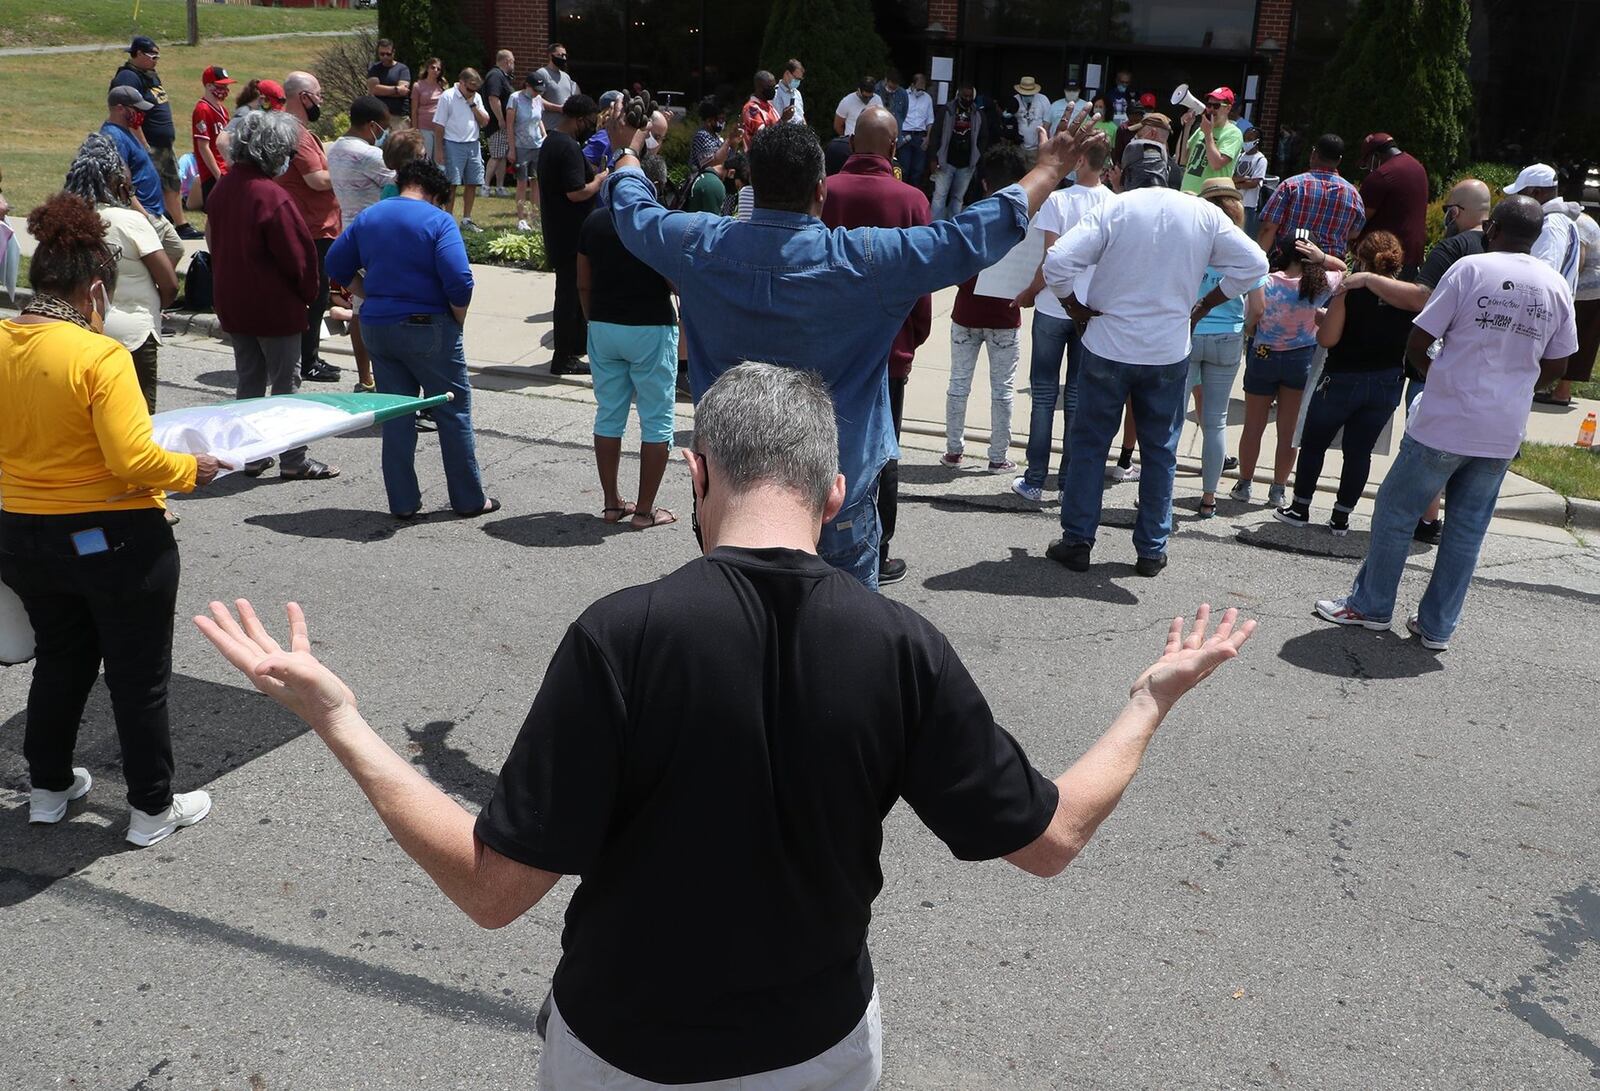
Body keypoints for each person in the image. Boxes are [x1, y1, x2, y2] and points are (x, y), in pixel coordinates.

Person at [194, 360, 1257, 1089]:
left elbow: (490, 887)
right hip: (817, 1047)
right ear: (836, 493)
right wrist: (1146, 698)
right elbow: (1050, 837)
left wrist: (338, 717)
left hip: (623, 1049)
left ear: (696, 474)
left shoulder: (621, 636)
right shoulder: (901, 643)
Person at [603, 111, 1109, 588]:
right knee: (844, 655)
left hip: (727, 500)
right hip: (832, 501)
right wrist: (1046, 169)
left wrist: (626, 151)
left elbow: (632, 211)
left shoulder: (697, 243)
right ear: (820, 192)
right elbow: (967, 238)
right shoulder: (864, 261)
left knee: (739, 639)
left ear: (752, 188)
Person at [3, 193, 224, 843]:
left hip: (21, 532)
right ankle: (152, 808)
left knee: (61, 660)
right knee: (138, 676)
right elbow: (134, 457)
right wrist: (193, 470)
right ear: (94, 289)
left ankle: (48, 788)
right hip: (117, 537)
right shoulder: (99, 357)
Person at [1314, 197, 1577, 650]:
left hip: (1446, 421)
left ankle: (1371, 606)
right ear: (1533, 239)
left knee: (1396, 512)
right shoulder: (1555, 286)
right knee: (1466, 531)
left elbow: (1419, 340)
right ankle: (1437, 626)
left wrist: (1441, 374)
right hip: (1502, 430)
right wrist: (1519, 383)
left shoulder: (1470, 269)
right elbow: (1559, 364)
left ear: (1491, 228)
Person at [1041, 134, 1268, 576]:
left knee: (1090, 444)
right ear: (1170, 173)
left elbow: (1056, 264)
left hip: (1107, 344)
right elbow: (1255, 265)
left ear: (1122, 175)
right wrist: (1204, 305)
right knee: (1160, 450)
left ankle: (1078, 540)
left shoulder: (1113, 208)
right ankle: (1151, 549)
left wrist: (1074, 308)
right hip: (1167, 349)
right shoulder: (1201, 212)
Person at [326, 159, 495, 519]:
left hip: (377, 327)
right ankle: (468, 499)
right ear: (435, 193)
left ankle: (403, 503)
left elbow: (335, 263)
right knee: (453, 412)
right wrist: (457, 319)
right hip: (427, 326)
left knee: (397, 414)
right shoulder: (438, 220)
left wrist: (369, 293)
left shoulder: (371, 217)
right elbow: (460, 281)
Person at [1336, 177, 1492, 538]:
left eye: (1450, 208)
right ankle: (1437, 522)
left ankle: (1418, 520)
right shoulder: (1507, 253)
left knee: (1427, 446)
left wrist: (1368, 281)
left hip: (1440, 360)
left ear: (1457, 211)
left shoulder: (1453, 248)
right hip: (1490, 368)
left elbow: (1422, 297)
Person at [821, 106, 933, 586]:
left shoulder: (824, 190)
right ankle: (877, 550)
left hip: (825, 342)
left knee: (820, 442)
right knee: (881, 451)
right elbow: (922, 279)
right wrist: (915, 334)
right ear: (892, 148)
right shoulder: (911, 199)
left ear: (850, 144)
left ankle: (815, 537)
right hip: (888, 349)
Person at [207, 109, 338, 481]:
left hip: (235, 302)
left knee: (248, 381)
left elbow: (213, 242)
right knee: (285, 385)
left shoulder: (225, 188)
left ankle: (251, 454)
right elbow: (299, 259)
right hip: (274, 306)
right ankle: (293, 458)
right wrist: (308, 296)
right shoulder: (272, 196)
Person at [1275, 230, 1411, 535]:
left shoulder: (1351, 292)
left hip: (1342, 378)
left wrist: (1325, 319)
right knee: (1359, 452)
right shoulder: (1407, 296)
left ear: (1361, 258)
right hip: (1386, 382)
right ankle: (1341, 517)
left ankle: (1300, 507)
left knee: (1314, 444)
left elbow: (1328, 338)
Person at [575, 155, 680, 531]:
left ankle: (610, 503)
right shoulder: (657, 223)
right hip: (651, 327)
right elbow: (676, 282)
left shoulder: (594, 221)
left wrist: (593, 318)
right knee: (656, 421)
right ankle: (645, 511)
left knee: (609, 414)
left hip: (603, 324)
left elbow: (582, 282)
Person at [1012, 145, 1112, 503]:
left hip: (1054, 307)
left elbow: (1050, 260)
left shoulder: (1059, 201)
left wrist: (1028, 292)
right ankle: (1068, 479)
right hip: (1090, 310)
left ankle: (1035, 478)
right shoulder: (1114, 204)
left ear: (1082, 160)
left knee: (1043, 395)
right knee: (1076, 398)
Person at [63, 133, 181, 415]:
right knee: (138, 420)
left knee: (92, 417)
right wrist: (156, 304)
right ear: (117, 178)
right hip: (134, 336)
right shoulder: (130, 221)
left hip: (80, 333)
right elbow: (170, 283)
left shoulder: (67, 219)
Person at [1230, 237, 1346, 508]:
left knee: (1253, 426)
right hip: (1300, 360)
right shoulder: (1318, 285)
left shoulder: (1266, 280)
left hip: (1263, 355)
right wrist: (1323, 258)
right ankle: (1278, 489)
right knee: (1289, 430)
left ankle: (1245, 484)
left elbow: (1252, 316)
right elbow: (1342, 271)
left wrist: (1252, 333)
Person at [943, 147, 1029, 478]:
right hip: (1005, 316)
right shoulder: (1024, 221)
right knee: (1003, 388)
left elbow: (955, 269)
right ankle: (998, 456)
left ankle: (953, 450)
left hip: (966, 313)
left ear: (983, 183)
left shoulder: (969, 218)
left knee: (958, 381)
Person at [1186, 178, 1265, 518]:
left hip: (1189, 332)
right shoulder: (1244, 249)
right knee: (1216, 422)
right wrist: (1240, 328)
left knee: (1173, 419)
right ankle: (1208, 499)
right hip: (1227, 338)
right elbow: (1258, 308)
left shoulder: (1193, 243)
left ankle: (1155, 492)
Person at [278, 71, 344, 386]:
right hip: (311, 229)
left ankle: (309, 356)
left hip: (315, 226)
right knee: (314, 296)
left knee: (316, 296)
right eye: (317, 94)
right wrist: (345, 174)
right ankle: (308, 361)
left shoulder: (296, 130)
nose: (320, 100)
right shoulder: (296, 134)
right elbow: (315, 180)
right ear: (303, 97)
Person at [327, 96, 397, 393]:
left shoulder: (335, 150)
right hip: (376, 238)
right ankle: (387, 378)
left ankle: (364, 377)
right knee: (385, 310)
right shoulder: (370, 155)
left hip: (349, 234)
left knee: (359, 309)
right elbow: (403, 184)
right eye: (385, 127)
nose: (385, 132)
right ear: (372, 125)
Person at [540, 95, 607, 377]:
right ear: (579, 119)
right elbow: (575, 192)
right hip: (569, 235)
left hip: (559, 231)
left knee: (573, 291)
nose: (591, 127)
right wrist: (600, 179)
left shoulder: (552, 142)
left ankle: (575, 345)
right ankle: (563, 357)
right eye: (590, 122)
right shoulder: (566, 147)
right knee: (568, 296)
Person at [111, 37, 199, 238]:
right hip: (147, 144)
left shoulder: (149, 75)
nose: (156, 60)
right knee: (147, 186)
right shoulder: (128, 77)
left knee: (171, 183)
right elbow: (129, 114)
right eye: (153, 56)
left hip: (162, 144)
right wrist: (143, 145)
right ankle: (146, 225)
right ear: (139, 54)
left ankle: (180, 225)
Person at [1257, 133, 1365, 256]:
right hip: (1330, 268)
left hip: (1289, 263)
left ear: (1314, 154)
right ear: (1339, 160)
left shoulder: (1291, 185)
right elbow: (1355, 233)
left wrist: (1259, 264)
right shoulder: (1353, 194)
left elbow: (1269, 228)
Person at [1547, 206, 1600, 407]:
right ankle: (1561, 389)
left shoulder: (1576, 224)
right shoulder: (1584, 220)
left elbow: (1579, 260)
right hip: (1595, 291)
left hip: (1586, 292)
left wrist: (1560, 284)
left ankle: (1561, 391)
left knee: (1571, 339)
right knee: (1583, 341)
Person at [1355, 133, 1428, 271]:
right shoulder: (1418, 167)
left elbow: (1359, 219)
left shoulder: (1380, 176)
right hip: (1413, 254)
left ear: (1375, 156)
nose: (1369, 169)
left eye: (1367, 164)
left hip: (1383, 259)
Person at [1504, 163, 1582, 293]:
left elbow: (1542, 278)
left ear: (1536, 193)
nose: (1517, 199)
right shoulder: (1556, 219)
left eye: (1520, 193)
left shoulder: (1551, 224)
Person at [433, 68, 490, 230]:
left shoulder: (476, 97)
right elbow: (439, 125)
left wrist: (472, 103)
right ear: (462, 82)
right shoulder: (448, 96)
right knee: (452, 183)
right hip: (452, 143)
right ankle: (448, 220)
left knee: (472, 182)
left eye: (475, 89)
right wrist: (439, 150)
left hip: (473, 144)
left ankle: (466, 219)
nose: (472, 91)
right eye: (470, 88)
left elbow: (485, 121)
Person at [101, 87, 165, 219]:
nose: (141, 113)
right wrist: (144, 215)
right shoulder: (114, 137)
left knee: (176, 241)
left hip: (154, 213)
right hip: (141, 215)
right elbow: (120, 182)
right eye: (137, 109)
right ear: (120, 108)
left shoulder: (125, 131)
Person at [929, 85, 983, 221]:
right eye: (964, 96)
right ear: (958, 95)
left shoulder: (977, 114)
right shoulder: (947, 110)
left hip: (966, 163)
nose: (967, 99)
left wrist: (978, 157)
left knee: (958, 198)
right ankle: (935, 226)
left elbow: (983, 137)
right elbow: (935, 135)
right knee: (939, 197)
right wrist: (933, 158)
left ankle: (952, 227)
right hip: (946, 161)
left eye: (970, 97)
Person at [1177, 87, 1242, 195]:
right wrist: (1187, 127)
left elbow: (1216, 164)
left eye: (1216, 106)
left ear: (1228, 108)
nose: (1211, 109)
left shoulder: (1233, 133)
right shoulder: (1201, 129)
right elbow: (1182, 159)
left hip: (1210, 198)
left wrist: (1208, 134)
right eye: (1208, 105)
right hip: (1187, 193)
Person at [191, 65, 235, 211]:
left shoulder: (223, 109)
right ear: (209, 86)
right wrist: (218, 175)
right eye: (221, 86)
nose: (225, 91)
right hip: (212, 172)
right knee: (216, 213)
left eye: (226, 86)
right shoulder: (202, 109)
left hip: (226, 167)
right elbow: (203, 146)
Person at [508, 72, 547, 232]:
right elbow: (510, 125)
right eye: (535, 89)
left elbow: (538, 120)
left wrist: (544, 135)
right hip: (521, 146)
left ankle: (535, 217)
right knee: (522, 182)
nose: (537, 93)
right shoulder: (515, 98)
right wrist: (511, 149)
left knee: (536, 182)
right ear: (527, 86)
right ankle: (522, 219)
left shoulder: (538, 99)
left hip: (537, 145)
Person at [482, 50, 517, 198]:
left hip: (501, 124)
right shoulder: (495, 76)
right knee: (496, 155)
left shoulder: (503, 77)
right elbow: (493, 98)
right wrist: (501, 119)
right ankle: (485, 186)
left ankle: (500, 186)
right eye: (513, 62)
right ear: (507, 61)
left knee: (501, 155)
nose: (514, 65)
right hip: (496, 124)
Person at [1118, 111, 1180, 192]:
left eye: (1139, 135)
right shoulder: (1173, 169)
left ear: (1152, 133)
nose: (1134, 138)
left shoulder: (1147, 169)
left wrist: (1119, 187)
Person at [366, 38, 412, 130]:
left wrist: (383, 91)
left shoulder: (402, 69)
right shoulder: (374, 69)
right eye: (382, 54)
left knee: (400, 144)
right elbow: (374, 89)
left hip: (398, 117)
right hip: (379, 117)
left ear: (393, 52)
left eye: (388, 54)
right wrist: (396, 89)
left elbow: (403, 91)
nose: (385, 57)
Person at [1233, 122, 1268, 238]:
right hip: (1235, 201)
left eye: (1250, 139)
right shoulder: (1239, 156)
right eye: (1245, 138)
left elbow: (1254, 183)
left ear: (1257, 141)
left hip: (1249, 205)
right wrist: (1243, 179)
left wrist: (1237, 183)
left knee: (1245, 236)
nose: (1246, 141)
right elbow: (1231, 177)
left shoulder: (1260, 160)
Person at [534, 43, 579, 131]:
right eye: (561, 55)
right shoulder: (542, 73)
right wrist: (558, 108)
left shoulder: (566, 76)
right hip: (550, 128)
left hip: (566, 129)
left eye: (565, 55)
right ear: (551, 56)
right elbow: (537, 98)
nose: (564, 58)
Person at [409, 57, 446, 162]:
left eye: (438, 69)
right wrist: (415, 130)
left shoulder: (442, 86)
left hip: (439, 127)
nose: (435, 71)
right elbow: (414, 109)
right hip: (424, 126)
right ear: (427, 68)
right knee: (425, 158)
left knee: (439, 160)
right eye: (433, 67)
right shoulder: (418, 86)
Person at [900, 74, 934, 187]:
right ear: (912, 85)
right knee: (904, 169)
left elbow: (930, 119)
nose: (921, 91)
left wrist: (928, 137)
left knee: (918, 171)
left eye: (923, 88)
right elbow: (898, 116)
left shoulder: (927, 98)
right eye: (919, 88)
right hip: (905, 135)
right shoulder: (903, 95)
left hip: (920, 136)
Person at [1011, 77, 1051, 166]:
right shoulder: (1014, 100)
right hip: (1019, 148)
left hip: (1037, 148)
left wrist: (1044, 144)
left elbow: (1047, 122)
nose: (1027, 96)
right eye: (1025, 94)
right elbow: (1010, 121)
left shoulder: (1043, 99)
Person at [742, 71, 784, 147]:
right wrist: (783, 119)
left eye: (774, 87)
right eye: (770, 87)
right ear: (759, 88)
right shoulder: (751, 108)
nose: (773, 90)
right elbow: (762, 136)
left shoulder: (769, 105)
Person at [773, 59, 806, 124]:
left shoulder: (797, 93)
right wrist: (785, 117)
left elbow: (801, 116)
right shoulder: (775, 93)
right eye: (796, 78)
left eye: (800, 79)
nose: (797, 82)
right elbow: (773, 122)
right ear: (787, 73)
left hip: (800, 132)